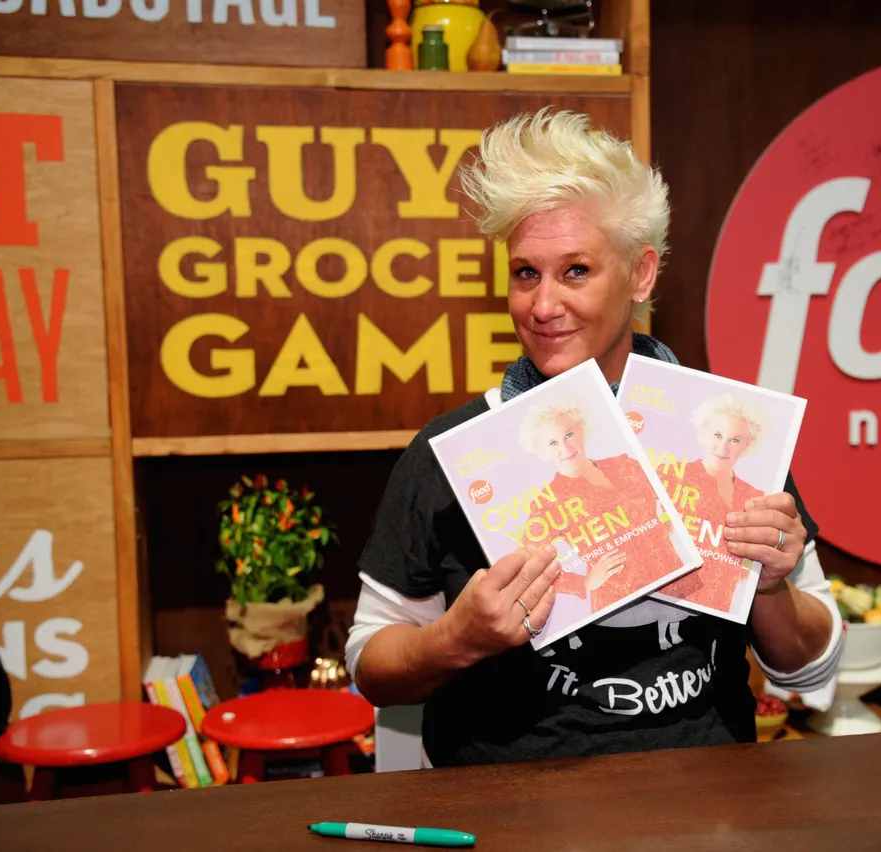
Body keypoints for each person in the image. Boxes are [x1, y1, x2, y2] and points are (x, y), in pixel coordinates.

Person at [346, 108, 842, 768]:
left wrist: (771, 588)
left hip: (708, 803)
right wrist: (457, 639)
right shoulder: (456, 453)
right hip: (508, 813)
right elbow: (371, 668)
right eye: (526, 272)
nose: (543, 305)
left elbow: (810, 671)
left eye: (575, 270)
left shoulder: (722, 431)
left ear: (640, 275)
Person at [516, 397, 683, 615]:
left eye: (569, 434)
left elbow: (676, 492)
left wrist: (669, 524)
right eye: (553, 443)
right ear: (542, 450)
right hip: (621, 608)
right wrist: (584, 582)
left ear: (581, 429)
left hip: (676, 584)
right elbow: (529, 568)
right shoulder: (548, 502)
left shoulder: (625, 465)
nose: (565, 447)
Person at [657, 393, 768, 613]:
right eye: (717, 435)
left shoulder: (755, 497)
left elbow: (747, 568)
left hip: (720, 613)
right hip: (662, 608)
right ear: (703, 433)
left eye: (734, 440)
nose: (723, 447)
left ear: (748, 444)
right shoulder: (669, 476)